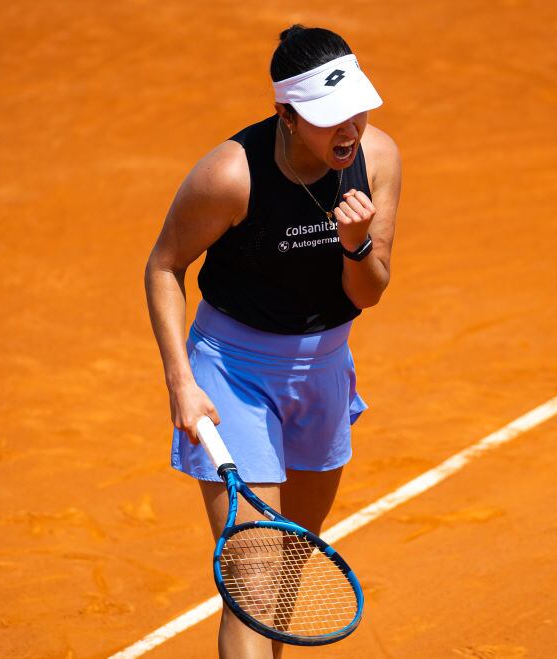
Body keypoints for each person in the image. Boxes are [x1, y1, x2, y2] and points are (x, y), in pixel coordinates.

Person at [144, 24, 401, 659]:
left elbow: (368, 292)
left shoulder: (380, 159)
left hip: (323, 373)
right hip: (231, 375)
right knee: (254, 583)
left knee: (288, 576)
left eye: (356, 111)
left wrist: (357, 243)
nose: (349, 130)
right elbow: (163, 267)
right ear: (285, 113)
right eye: (328, 118)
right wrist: (181, 381)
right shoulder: (231, 175)